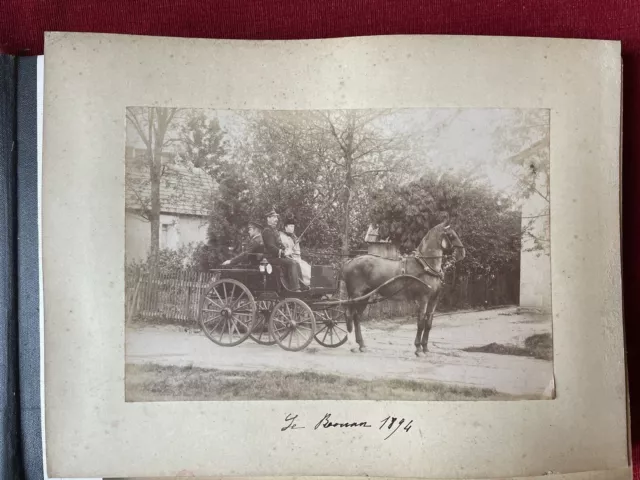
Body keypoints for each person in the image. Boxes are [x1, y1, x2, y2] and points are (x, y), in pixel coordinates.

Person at [261, 208, 303, 291]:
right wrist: (283, 253)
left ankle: (300, 284)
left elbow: (280, 244)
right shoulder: (267, 231)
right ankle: (295, 288)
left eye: (276, 217)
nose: (276, 219)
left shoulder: (274, 230)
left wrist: (286, 250)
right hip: (270, 258)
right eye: (273, 217)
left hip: (277, 257)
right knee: (292, 263)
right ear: (268, 219)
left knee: (296, 263)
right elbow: (271, 247)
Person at [279, 215, 311, 287]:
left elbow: (297, 251)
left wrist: (296, 244)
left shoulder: (294, 237)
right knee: (303, 270)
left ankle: (310, 286)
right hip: (288, 258)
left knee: (308, 268)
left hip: (297, 258)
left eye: (293, 227)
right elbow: (284, 249)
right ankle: (302, 285)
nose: (292, 228)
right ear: (285, 227)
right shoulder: (281, 236)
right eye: (290, 226)